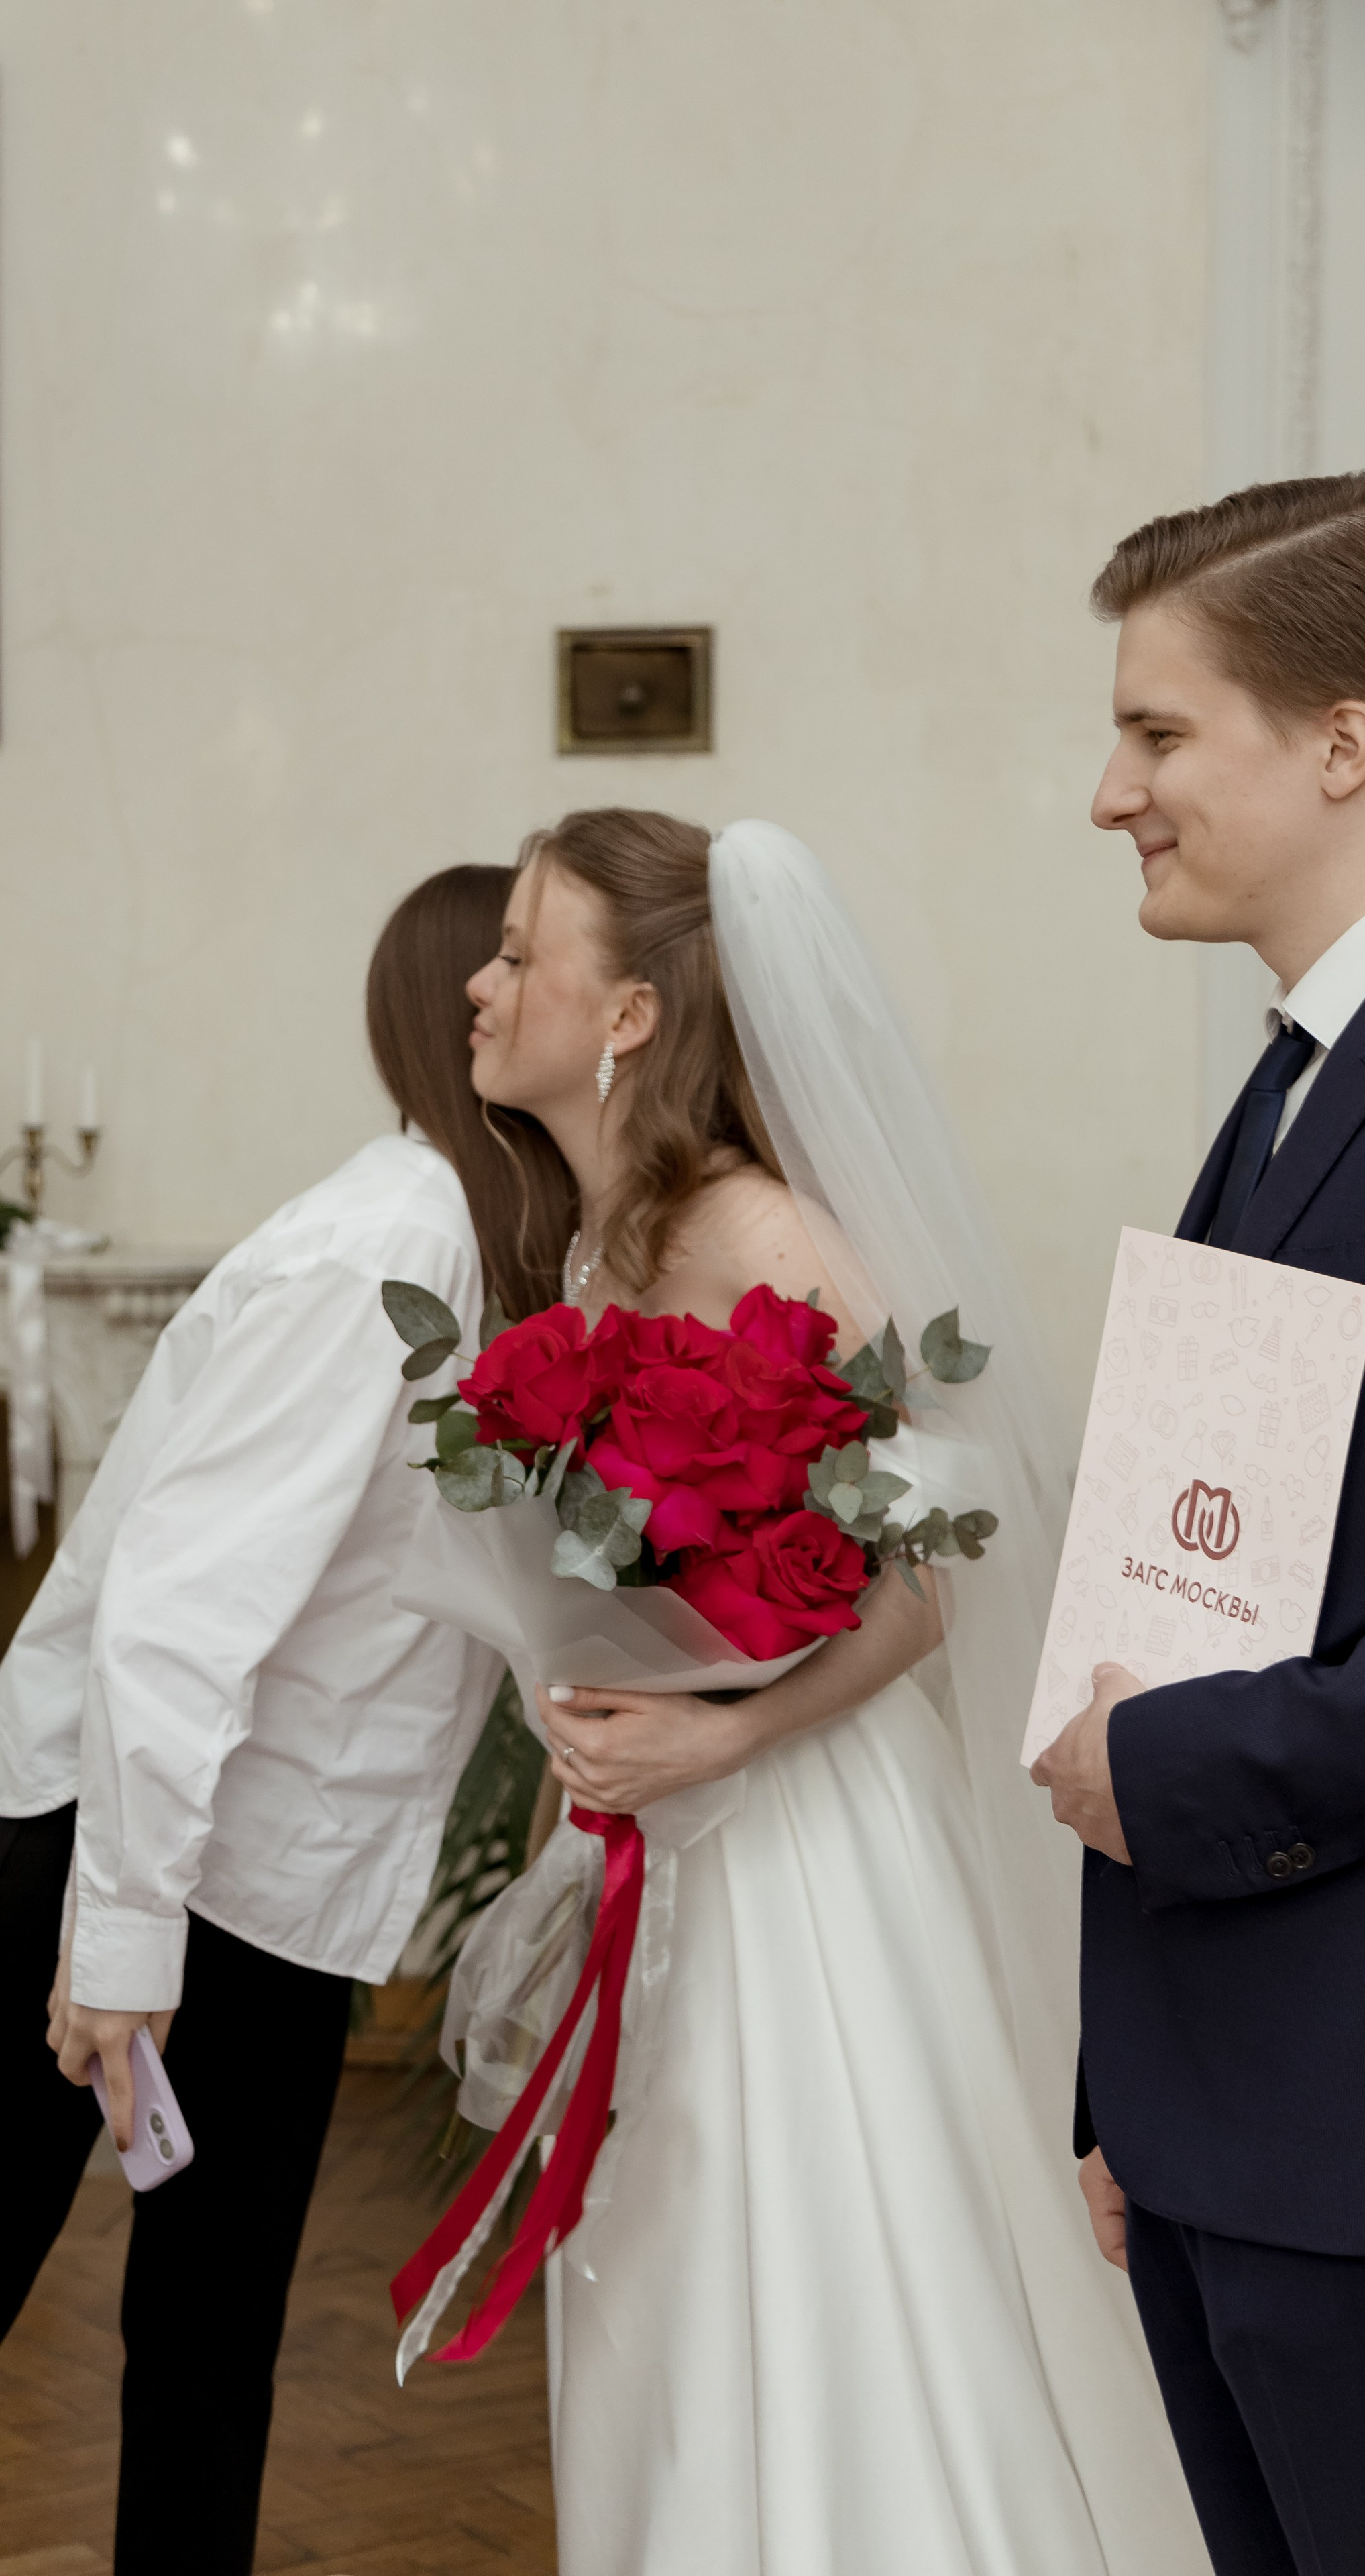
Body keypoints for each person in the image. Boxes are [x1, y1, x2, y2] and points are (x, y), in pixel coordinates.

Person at [461, 808, 1208, 2575]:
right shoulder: (594, 1241)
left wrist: (729, 1724)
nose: (480, 987)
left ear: (629, 1012)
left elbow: (945, 1551)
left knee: (798, 2235)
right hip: (685, 1820)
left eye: (517, 949)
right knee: (661, 2251)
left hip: (802, 1836)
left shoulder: (751, 1228)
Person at [0, 864, 571, 2576]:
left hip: (266, 1878)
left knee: (212, 2349)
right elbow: (176, 1621)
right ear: (459, 1011)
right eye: (507, 962)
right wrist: (118, 1938)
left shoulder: (490, 1248)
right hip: (106, 1854)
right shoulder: (389, 1245)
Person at [1034, 476, 1365, 2576]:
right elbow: (1212, 1571)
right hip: (1232, 2112)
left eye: (1158, 734)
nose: (1106, 792)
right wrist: (1126, 2086)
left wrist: (1141, 1771)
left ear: (1348, 736)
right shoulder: (1285, 1082)